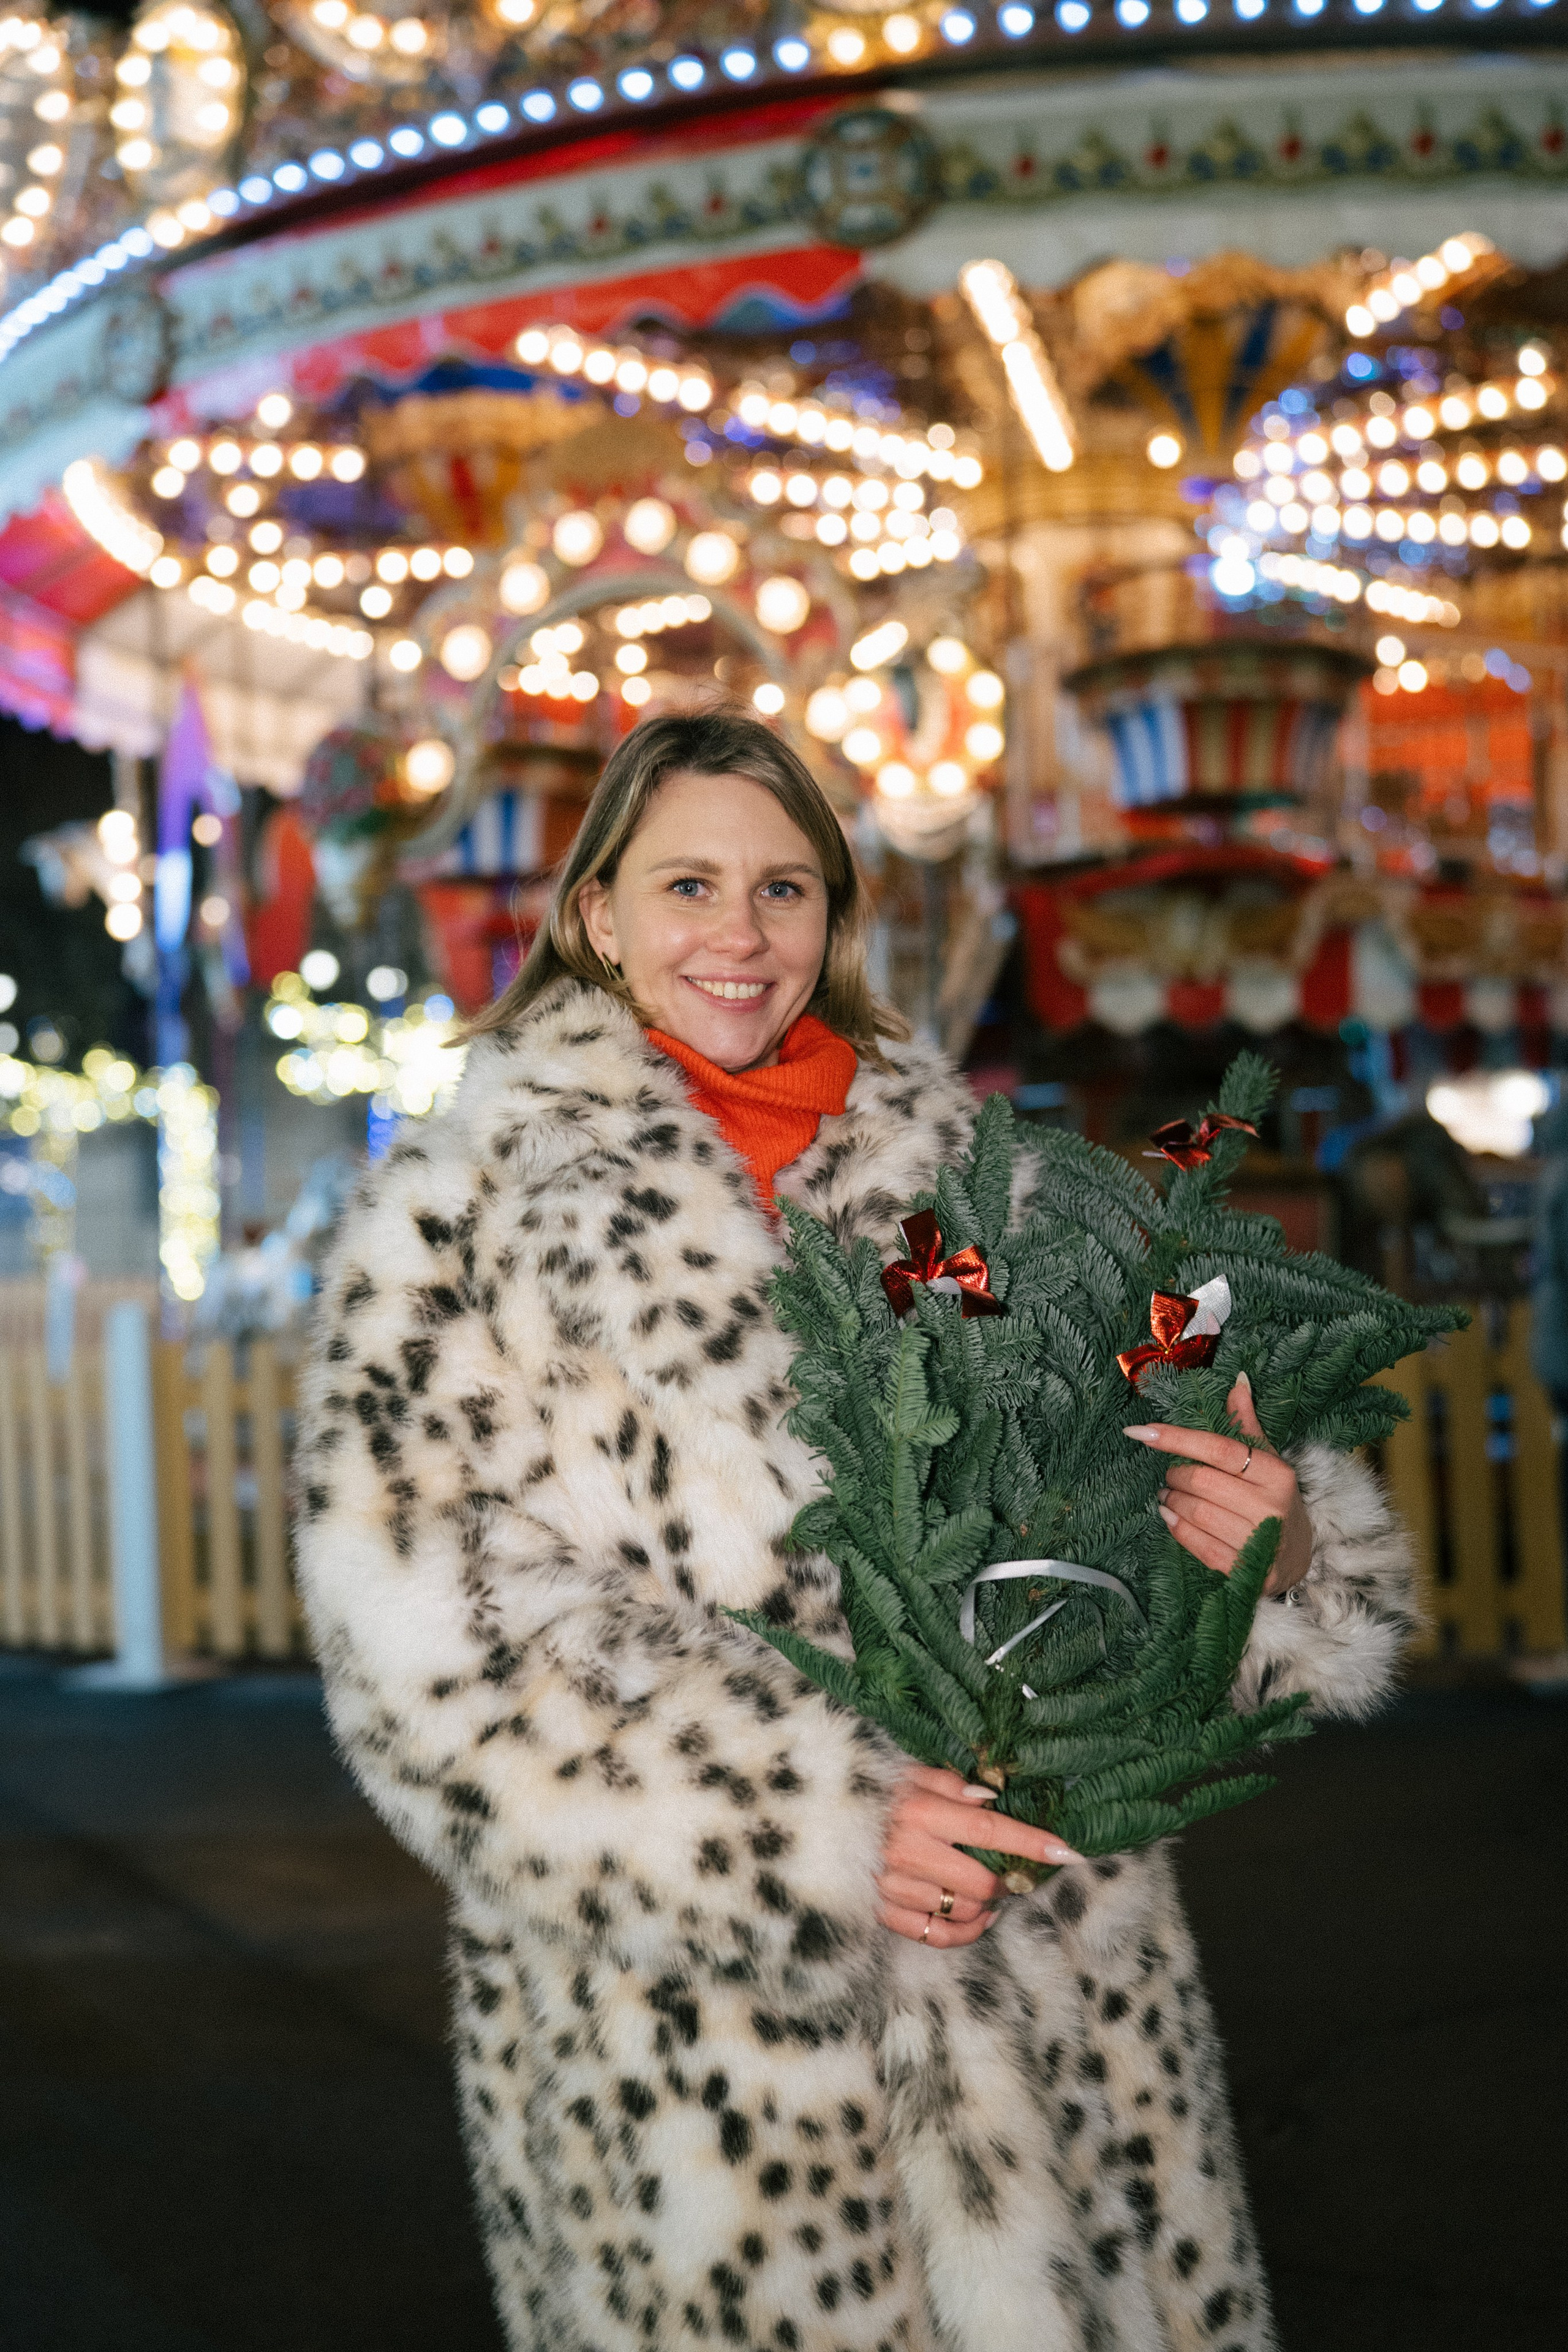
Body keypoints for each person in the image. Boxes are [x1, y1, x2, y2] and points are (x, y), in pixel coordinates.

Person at [297, 710, 1417, 2352]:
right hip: (720, 2069)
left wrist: (1272, 1547)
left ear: (834, 918)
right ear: (599, 913)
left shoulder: (991, 1191)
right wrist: (826, 1819)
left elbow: (1130, 1522)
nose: (740, 936)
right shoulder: (458, 1220)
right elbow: (435, 1674)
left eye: (786, 889)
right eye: (688, 885)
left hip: (1070, 2017)